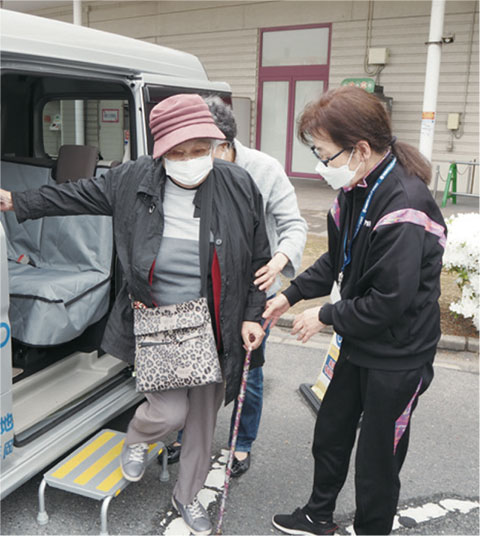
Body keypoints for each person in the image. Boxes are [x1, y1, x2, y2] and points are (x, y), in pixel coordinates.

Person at [0, 93, 270, 536]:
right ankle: (138, 438)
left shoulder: (239, 185)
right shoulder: (132, 179)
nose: (189, 160)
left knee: (202, 419)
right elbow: (79, 194)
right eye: (177, 153)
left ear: (213, 145)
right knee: (167, 414)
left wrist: (251, 316)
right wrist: (19, 202)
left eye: (199, 149)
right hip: (158, 322)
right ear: (159, 152)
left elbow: (259, 257)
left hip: (214, 323)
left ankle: (188, 497)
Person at [263, 86, 446, 535]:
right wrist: (291, 295)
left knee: (378, 457)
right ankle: (318, 514)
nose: (321, 166)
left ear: (360, 149)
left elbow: (390, 301)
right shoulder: (356, 188)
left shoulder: (405, 205)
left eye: (324, 154)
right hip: (358, 341)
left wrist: (325, 317)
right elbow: (337, 257)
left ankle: (371, 530)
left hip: (399, 354)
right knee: (332, 430)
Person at [166, 96, 307, 477]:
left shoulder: (264, 169)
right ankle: (183, 433)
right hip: (200, 286)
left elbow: (294, 225)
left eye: (206, 150)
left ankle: (240, 443)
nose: (196, 159)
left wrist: (278, 260)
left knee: (248, 368)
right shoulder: (182, 168)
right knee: (191, 363)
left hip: (251, 286)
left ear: (225, 144)